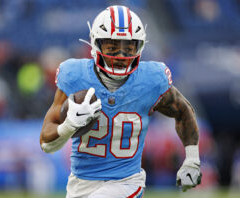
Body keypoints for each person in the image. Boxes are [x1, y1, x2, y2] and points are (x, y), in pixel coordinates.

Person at [40, 5, 202, 198]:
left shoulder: (150, 79)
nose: (120, 55)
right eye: (112, 47)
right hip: (80, 183)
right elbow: (47, 144)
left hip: (125, 183)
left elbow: (183, 111)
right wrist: (68, 126)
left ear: (139, 47)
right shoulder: (75, 76)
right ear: (96, 45)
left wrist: (192, 160)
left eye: (128, 47)